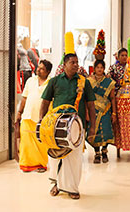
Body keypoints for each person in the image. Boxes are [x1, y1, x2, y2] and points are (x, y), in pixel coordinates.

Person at [40, 52, 96, 200]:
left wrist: (92, 127)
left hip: (77, 126)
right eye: (73, 62)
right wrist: (41, 122)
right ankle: (57, 185)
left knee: (75, 158)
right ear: (64, 65)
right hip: (55, 126)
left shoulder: (85, 82)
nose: (76, 65)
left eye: (77, 62)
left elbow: (91, 106)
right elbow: (45, 102)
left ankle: (72, 188)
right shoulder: (55, 81)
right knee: (56, 156)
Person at [16, 60, 52, 172]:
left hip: (43, 118)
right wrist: (19, 112)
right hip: (27, 115)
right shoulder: (30, 81)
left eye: (42, 69)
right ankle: (26, 164)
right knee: (26, 142)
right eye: (38, 67)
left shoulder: (51, 83)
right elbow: (24, 98)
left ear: (48, 71)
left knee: (41, 142)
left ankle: (41, 164)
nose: (38, 70)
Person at [87, 60, 116, 164]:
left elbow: (112, 98)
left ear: (104, 69)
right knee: (94, 131)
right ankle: (96, 153)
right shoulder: (89, 81)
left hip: (105, 110)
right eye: (97, 67)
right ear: (94, 68)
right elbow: (86, 98)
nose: (99, 69)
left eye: (101, 67)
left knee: (106, 130)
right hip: (92, 110)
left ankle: (104, 152)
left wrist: (114, 113)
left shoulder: (109, 82)